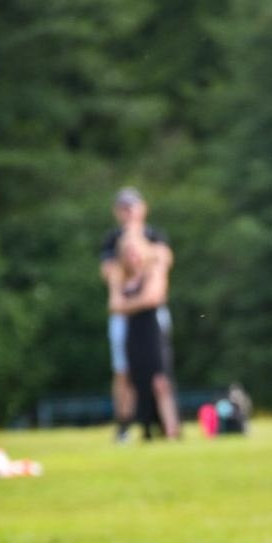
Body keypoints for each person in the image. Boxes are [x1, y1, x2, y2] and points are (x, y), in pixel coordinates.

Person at [99, 187, 174, 442]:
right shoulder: (111, 239)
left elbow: (163, 265)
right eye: (124, 207)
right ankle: (124, 424)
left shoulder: (155, 235)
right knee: (123, 371)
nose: (128, 211)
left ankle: (164, 425)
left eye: (133, 205)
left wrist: (137, 245)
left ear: (143, 208)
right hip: (125, 321)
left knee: (158, 373)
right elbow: (110, 276)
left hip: (152, 320)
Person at [108, 232, 180, 440]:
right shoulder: (119, 275)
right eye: (127, 253)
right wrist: (135, 304)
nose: (132, 257)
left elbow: (153, 298)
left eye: (135, 252)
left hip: (152, 332)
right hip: (133, 333)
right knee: (135, 380)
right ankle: (143, 427)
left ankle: (171, 429)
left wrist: (127, 305)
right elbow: (114, 305)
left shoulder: (153, 271)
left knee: (160, 380)